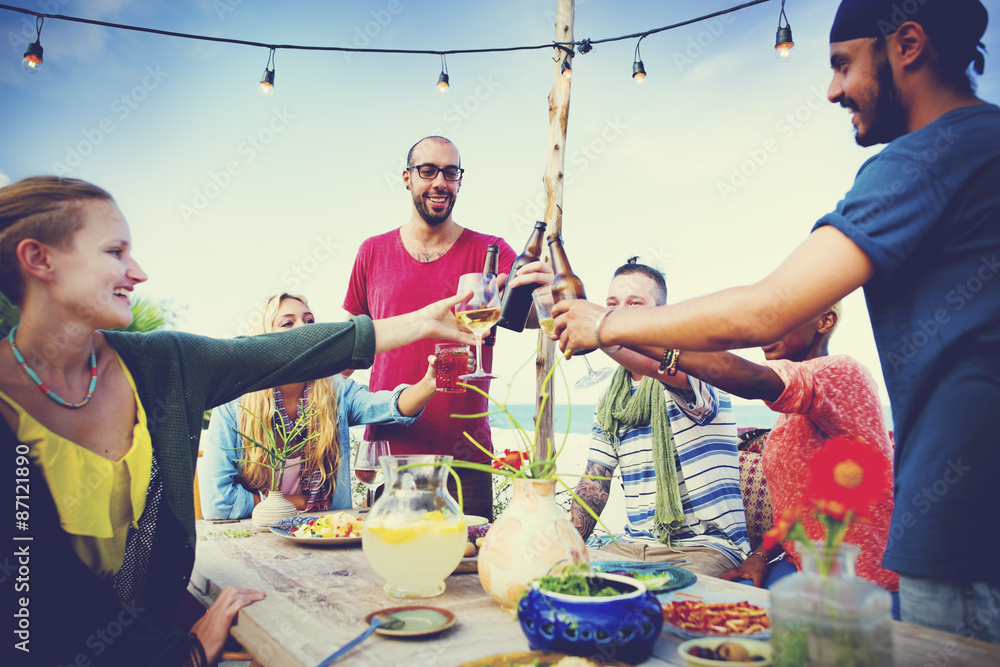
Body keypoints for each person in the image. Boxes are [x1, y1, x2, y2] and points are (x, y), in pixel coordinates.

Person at [553, 0, 999, 641]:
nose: (832, 89)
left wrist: (606, 325)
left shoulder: (925, 159)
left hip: (961, 530)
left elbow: (766, 310)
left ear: (907, 45)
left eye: (844, 64)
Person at [0, 176, 476, 665]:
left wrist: (423, 322)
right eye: (115, 251)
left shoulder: (166, 364)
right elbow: (34, 610)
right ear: (40, 259)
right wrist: (177, 656)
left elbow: (287, 353)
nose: (138, 271)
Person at [343, 136, 517, 519]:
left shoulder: (492, 250)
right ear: (407, 178)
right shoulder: (372, 252)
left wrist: (537, 290)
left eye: (450, 172)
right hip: (391, 449)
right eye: (428, 171)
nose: (440, 181)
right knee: (392, 565)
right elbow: (349, 350)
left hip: (467, 454)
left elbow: (531, 312)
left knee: (468, 570)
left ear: (459, 180)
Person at [568, 262, 750, 577]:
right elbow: (594, 485)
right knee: (562, 584)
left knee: (668, 605)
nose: (618, 313)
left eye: (634, 304)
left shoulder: (694, 365)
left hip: (703, 546)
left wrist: (600, 330)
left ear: (661, 314)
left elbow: (665, 369)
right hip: (633, 545)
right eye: (611, 305)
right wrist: (567, 547)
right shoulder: (612, 398)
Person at [200, 292, 438, 520]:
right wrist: (299, 502)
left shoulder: (336, 391)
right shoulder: (233, 404)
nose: (304, 329)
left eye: (309, 321)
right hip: (255, 540)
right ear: (264, 338)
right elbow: (218, 503)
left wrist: (428, 384)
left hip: (325, 535)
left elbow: (388, 405)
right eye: (287, 323)